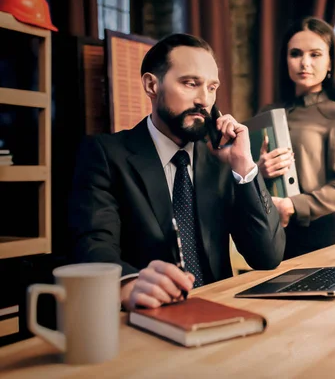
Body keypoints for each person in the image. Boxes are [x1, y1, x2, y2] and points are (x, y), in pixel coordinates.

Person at [69, 34, 285, 311]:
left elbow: (267, 256)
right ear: (151, 85)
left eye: (211, 87)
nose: (203, 100)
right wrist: (127, 284)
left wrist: (244, 165)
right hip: (149, 316)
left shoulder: (222, 162)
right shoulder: (105, 154)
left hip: (219, 311)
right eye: (190, 83)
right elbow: (93, 242)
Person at [258, 17, 335, 259]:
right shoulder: (266, 114)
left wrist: (292, 205)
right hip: (267, 234)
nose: (304, 63)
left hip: (318, 236)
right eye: (295, 54)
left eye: (315, 54)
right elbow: (243, 182)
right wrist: (259, 171)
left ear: (330, 62)